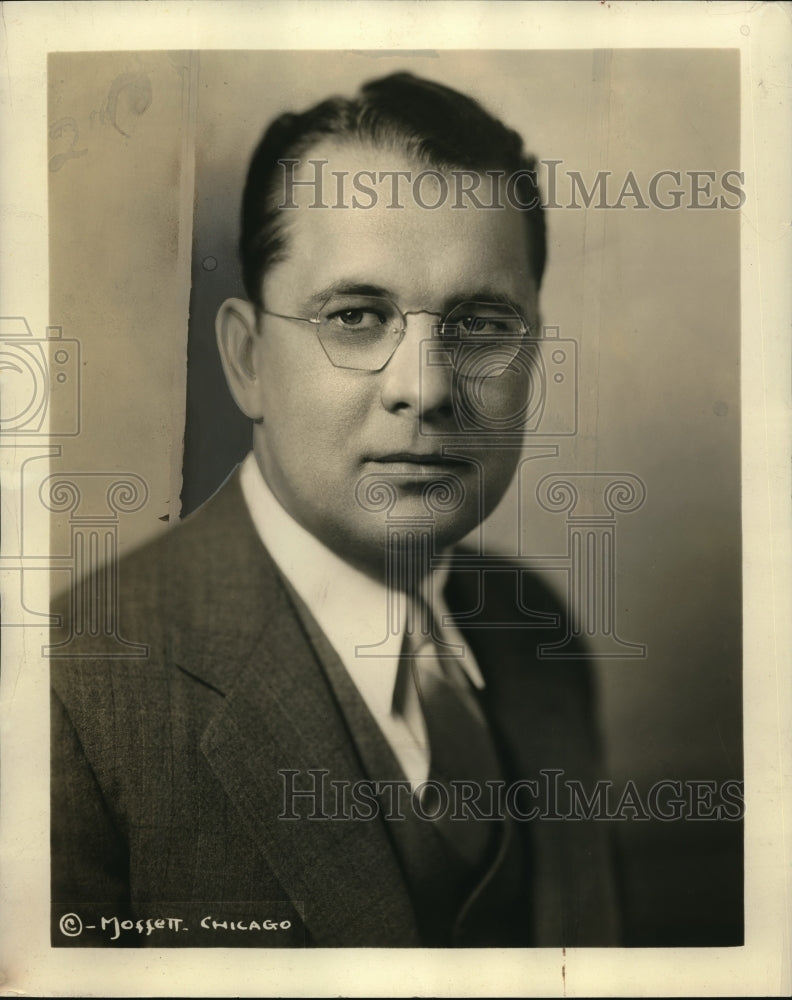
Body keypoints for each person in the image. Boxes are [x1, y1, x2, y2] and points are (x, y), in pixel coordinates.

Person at [50, 72, 621, 948]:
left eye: (481, 325)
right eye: (356, 316)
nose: (426, 389)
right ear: (248, 361)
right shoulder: (71, 693)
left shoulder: (537, 631)